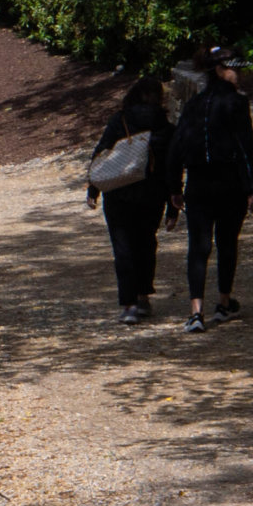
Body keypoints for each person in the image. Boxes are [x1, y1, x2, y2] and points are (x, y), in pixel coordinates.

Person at [168, 46, 253, 334]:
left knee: (198, 246)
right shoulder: (235, 103)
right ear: (221, 70)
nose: (239, 73)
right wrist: (252, 186)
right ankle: (222, 302)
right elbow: (246, 148)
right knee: (227, 242)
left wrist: (174, 186)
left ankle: (196, 311)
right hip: (229, 182)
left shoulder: (193, 105)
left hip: (197, 182)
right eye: (235, 68)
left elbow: (177, 147)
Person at [85, 77, 174, 323]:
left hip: (118, 193)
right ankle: (144, 296)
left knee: (123, 248)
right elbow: (170, 166)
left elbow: (102, 154)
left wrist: (94, 189)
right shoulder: (164, 125)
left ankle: (129, 304)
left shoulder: (120, 120)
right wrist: (173, 205)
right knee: (146, 244)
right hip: (152, 193)